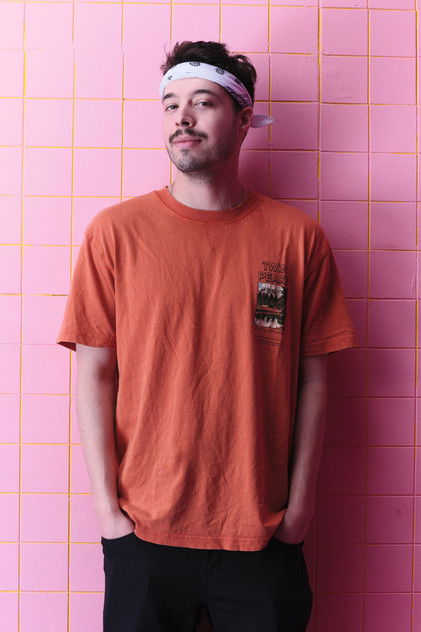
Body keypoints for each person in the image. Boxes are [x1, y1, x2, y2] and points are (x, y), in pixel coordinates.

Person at [56, 40, 358, 632]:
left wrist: (299, 509)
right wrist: (108, 512)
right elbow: (94, 370)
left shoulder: (297, 238)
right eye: (170, 105)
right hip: (144, 532)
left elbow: (315, 380)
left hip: (261, 535)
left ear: (243, 120)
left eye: (203, 102)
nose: (183, 118)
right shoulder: (115, 233)